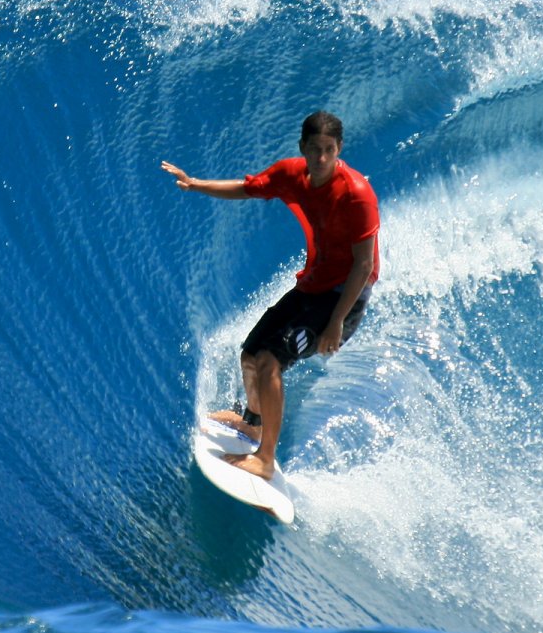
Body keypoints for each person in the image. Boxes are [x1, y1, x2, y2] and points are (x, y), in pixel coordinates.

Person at [161, 110, 380, 481]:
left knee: (269, 361)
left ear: (340, 149)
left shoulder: (357, 195)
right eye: (315, 149)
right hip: (313, 284)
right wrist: (194, 184)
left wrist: (336, 323)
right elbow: (247, 188)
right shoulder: (292, 174)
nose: (322, 159)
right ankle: (253, 422)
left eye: (329, 150)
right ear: (303, 149)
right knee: (249, 354)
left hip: (346, 296)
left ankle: (264, 458)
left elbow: (363, 266)